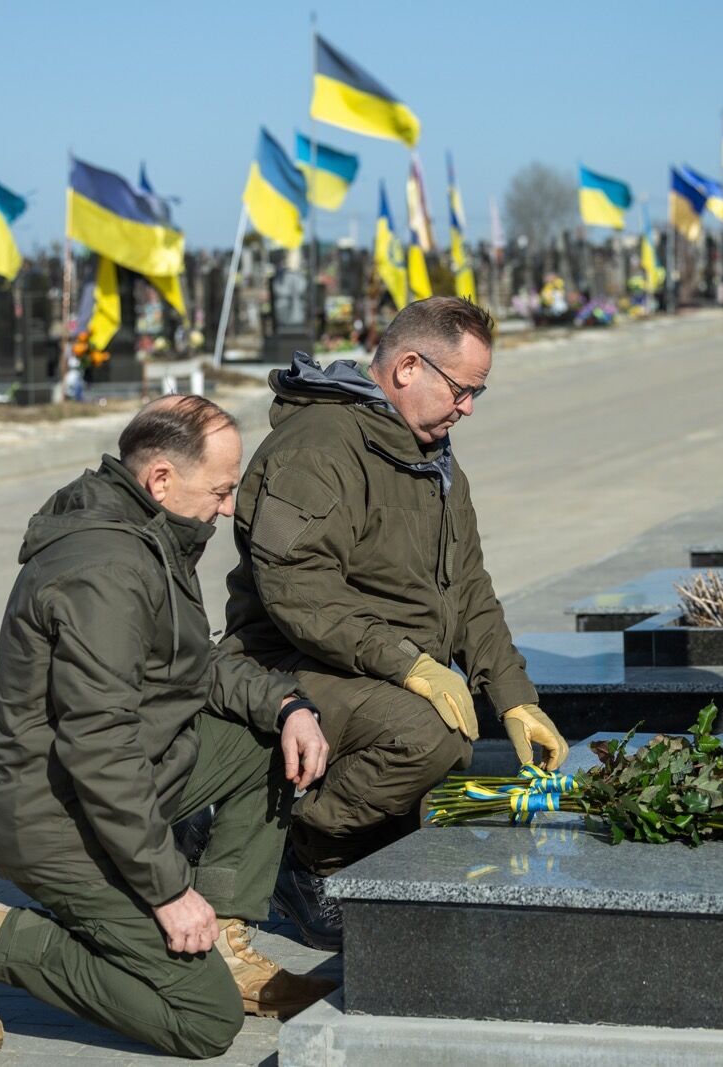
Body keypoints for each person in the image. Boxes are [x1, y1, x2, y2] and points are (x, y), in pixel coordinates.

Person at [0, 395, 335, 1059]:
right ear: (161, 479)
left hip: (128, 778)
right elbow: (100, 750)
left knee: (264, 744)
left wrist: (287, 706)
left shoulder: (150, 535)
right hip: (58, 820)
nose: (228, 508)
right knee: (203, 1019)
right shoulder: (105, 569)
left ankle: (221, 938)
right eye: (222, 490)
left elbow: (189, 669)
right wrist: (168, 890)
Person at [223, 296, 570, 951]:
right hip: (286, 668)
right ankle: (296, 854)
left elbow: (468, 590)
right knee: (430, 732)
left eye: (478, 393)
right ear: (409, 367)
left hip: (367, 669)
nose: (468, 407)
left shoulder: (431, 457)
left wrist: (516, 700)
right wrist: (409, 664)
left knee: (449, 733)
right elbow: (297, 589)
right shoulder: (319, 446)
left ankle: (360, 844)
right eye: (462, 389)